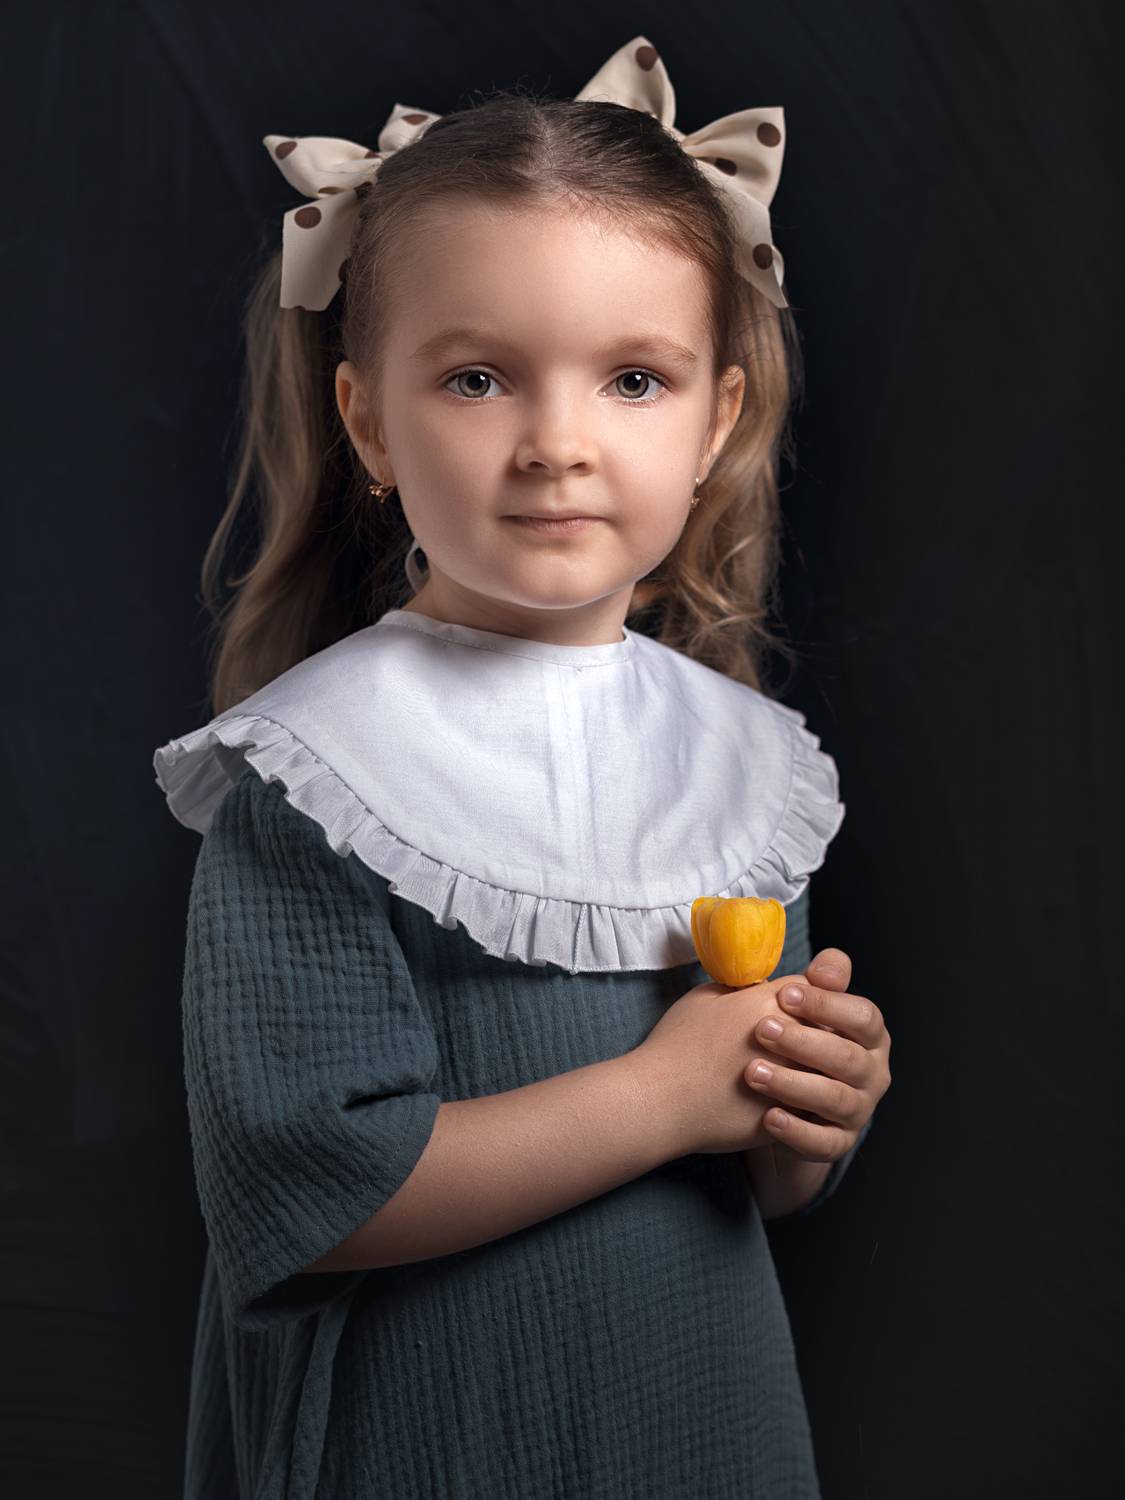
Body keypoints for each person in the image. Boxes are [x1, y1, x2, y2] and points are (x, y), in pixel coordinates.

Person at [153, 33, 892, 1499]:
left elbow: (752, 1174)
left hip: (703, 1427)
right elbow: (301, 1198)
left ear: (716, 421)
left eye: (633, 379)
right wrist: (666, 1096)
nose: (558, 443)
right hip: (432, 1435)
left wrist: (810, 1107)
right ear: (369, 420)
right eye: (480, 378)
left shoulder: (740, 771)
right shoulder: (316, 777)